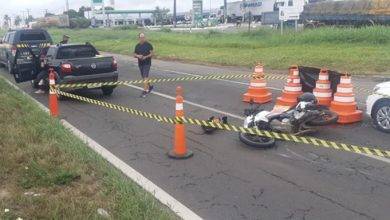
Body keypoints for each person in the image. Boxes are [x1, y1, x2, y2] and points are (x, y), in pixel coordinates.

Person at [134, 32, 154, 98]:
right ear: (139, 38)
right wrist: (138, 56)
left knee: (145, 76)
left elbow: (152, 54)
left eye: (143, 37)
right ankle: (150, 86)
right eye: (141, 37)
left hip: (147, 63)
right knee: (143, 77)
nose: (142, 38)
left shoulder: (148, 45)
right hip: (140, 63)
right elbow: (134, 54)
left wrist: (146, 57)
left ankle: (144, 91)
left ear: (145, 37)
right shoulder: (137, 46)